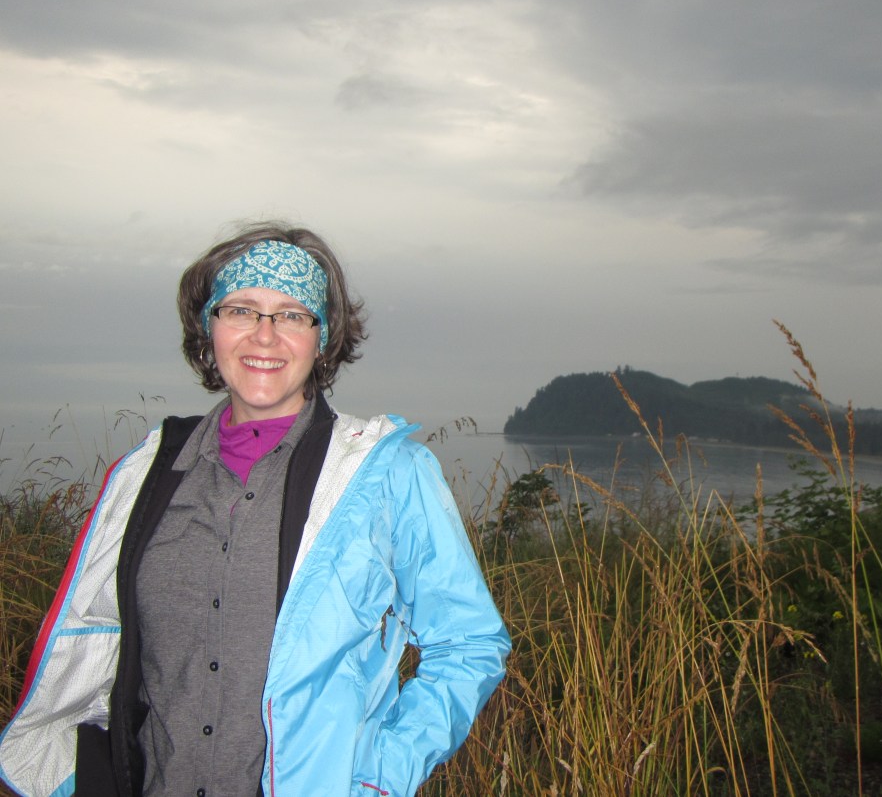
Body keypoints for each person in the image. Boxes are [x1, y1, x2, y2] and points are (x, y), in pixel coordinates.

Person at [0, 223, 511, 797]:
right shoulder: (145, 474)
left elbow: (469, 644)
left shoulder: (387, 475)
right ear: (208, 330)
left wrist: (379, 773)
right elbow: (97, 645)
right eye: (241, 310)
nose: (264, 335)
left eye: (292, 314)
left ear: (322, 339)